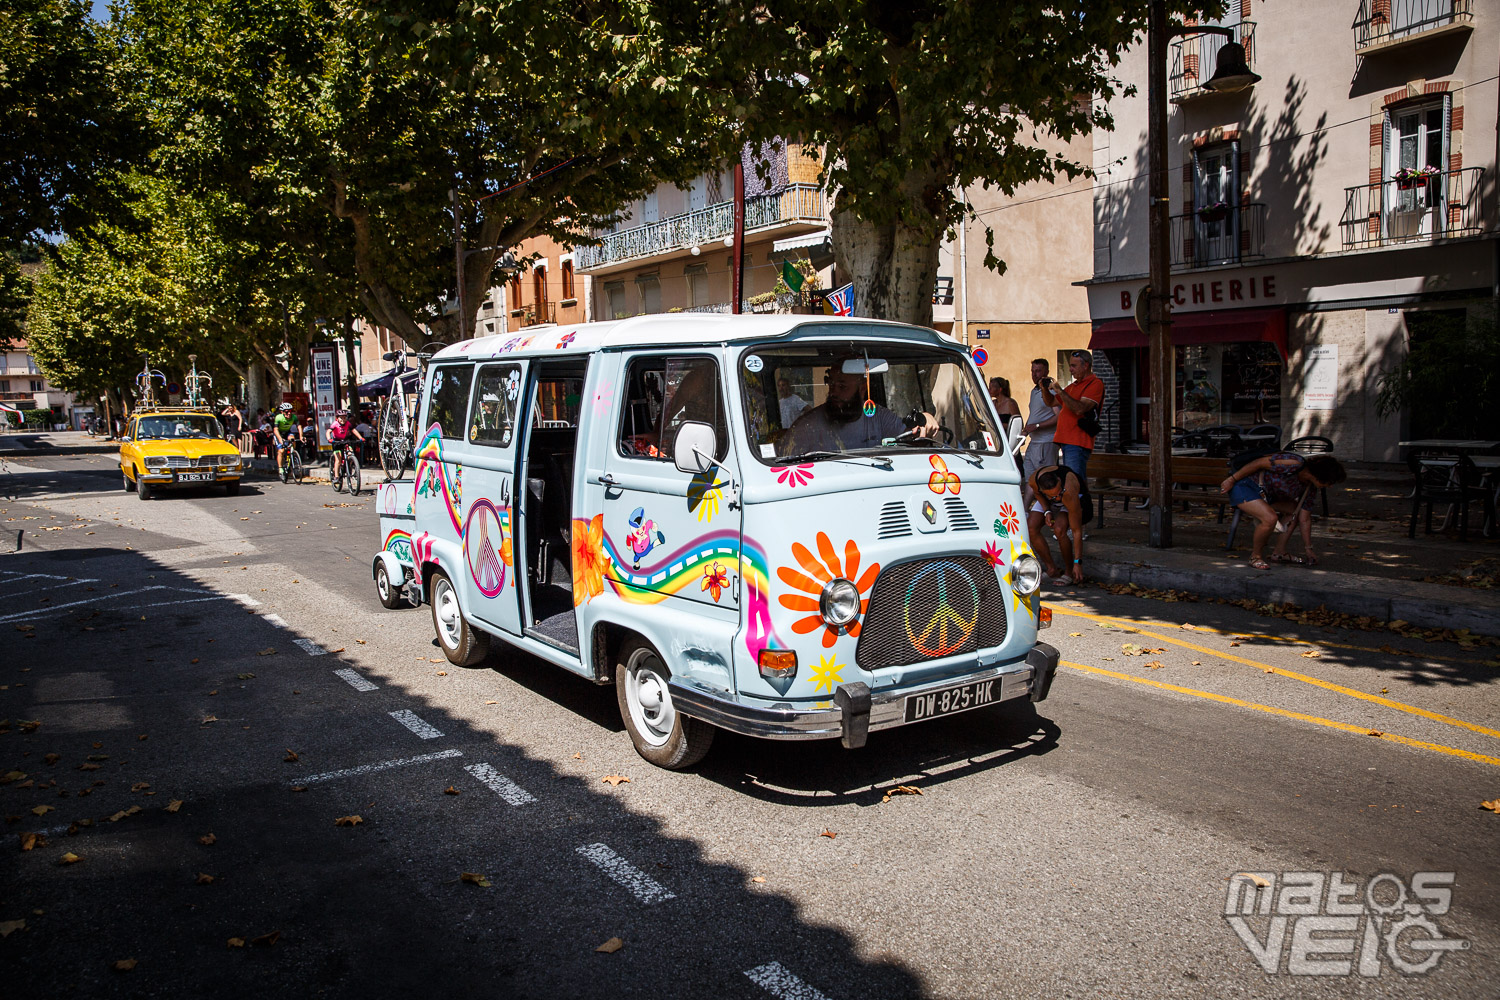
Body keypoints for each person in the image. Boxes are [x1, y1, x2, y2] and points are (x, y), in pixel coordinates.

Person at [779, 357, 939, 455]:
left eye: (842, 386)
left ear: (862, 389)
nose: (833, 392)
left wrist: (925, 419)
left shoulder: (877, 416)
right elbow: (783, 460)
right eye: (831, 384)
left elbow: (910, 437)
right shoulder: (809, 425)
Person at [1221, 452, 1346, 570]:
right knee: (1270, 518)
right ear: (1322, 475)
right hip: (1246, 486)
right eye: (1331, 482)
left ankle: (1279, 552)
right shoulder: (1294, 463)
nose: (1330, 486)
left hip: (1266, 496)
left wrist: (1308, 548)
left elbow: (1305, 518)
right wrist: (1231, 479)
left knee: (1294, 512)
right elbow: (1258, 463)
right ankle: (1255, 556)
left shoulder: (1309, 487)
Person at [1044, 350, 1104, 484]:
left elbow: (1080, 409)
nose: (1070, 369)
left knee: (1074, 482)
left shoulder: (1095, 384)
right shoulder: (1073, 386)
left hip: (1078, 441)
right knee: (1071, 480)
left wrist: (1060, 390)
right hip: (1066, 440)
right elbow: (1051, 402)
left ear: (1086, 365)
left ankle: (1080, 498)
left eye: (1073, 366)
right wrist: (1044, 389)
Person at [1027, 464, 1088, 584]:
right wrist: (1047, 511)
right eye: (1053, 495)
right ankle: (1051, 569)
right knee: (1031, 528)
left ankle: (1069, 571)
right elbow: (1037, 494)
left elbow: (1076, 531)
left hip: (1070, 498)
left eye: (1058, 493)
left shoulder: (1068, 488)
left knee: (1059, 529)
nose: (1057, 498)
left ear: (1059, 481)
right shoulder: (1034, 481)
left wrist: (1078, 562)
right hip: (1047, 500)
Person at [1020, 358, 1061, 506]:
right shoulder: (1034, 391)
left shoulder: (1051, 390)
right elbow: (1035, 414)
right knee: (1030, 479)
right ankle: (1026, 510)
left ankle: (1050, 510)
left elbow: (1058, 416)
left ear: (1046, 371)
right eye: (1033, 371)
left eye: (1038, 371)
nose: (1034, 374)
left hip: (1046, 442)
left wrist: (1037, 425)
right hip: (1034, 442)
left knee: (1045, 480)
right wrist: (1026, 430)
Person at [327, 408, 365, 484]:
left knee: (350, 453)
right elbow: (329, 431)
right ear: (337, 418)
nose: (343, 420)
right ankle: (336, 476)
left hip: (345, 441)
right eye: (341, 418)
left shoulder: (348, 423)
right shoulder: (335, 424)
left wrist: (360, 438)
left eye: (344, 417)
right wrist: (329, 439)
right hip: (337, 442)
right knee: (338, 459)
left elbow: (353, 430)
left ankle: (349, 466)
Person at [272, 403, 300, 477]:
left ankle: (292, 453)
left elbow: (299, 426)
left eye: (290, 411)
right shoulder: (278, 417)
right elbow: (275, 430)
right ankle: (280, 469)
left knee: (292, 439)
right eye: (287, 412)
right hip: (279, 433)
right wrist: (280, 439)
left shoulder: (294, 417)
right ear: (282, 412)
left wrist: (301, 436)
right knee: (281, 451)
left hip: (287, 432)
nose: (289, 413)